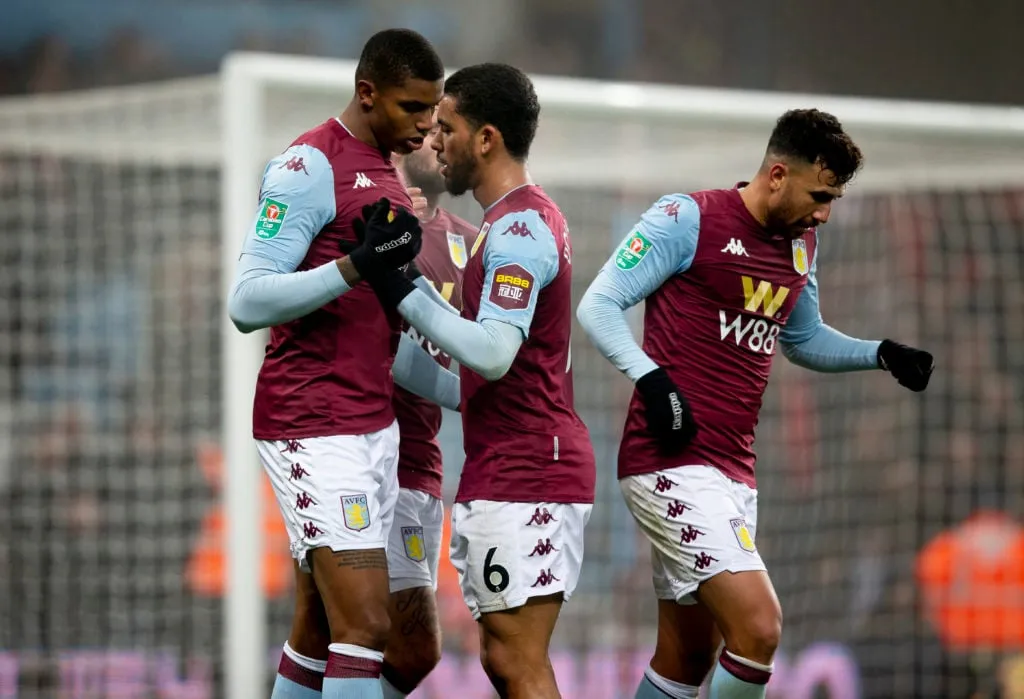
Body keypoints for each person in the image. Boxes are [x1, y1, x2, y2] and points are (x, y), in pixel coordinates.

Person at [576, 108, 934, 699]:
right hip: (669, 461)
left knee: (687, 659)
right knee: (760, 629)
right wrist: (652, 379)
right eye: (820, 195)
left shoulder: (802, 244)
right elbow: (599, 304)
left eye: (834, 200)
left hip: (734, 470)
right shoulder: (686, 218)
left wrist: (881, 353)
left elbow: (802, 338)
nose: (824, 213)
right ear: (777, 175)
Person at [226, 28, 458, 699]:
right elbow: (246, 301)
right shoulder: (308, 165)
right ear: (367, 92)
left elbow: (381, 336)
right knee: (366, 623)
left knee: (321, 625)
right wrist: (355, 265)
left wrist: (474, 390)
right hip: (312, 420)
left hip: (372, 425)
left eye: (433, 109)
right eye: (412, 107)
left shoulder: (387, 174)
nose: (427, 123)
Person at [362, 63, 596, 699]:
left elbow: (491, 355)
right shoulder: (509, 221)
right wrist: (386, 345)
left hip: (530, 468)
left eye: (448, 127)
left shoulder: (519, 228)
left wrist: (398, 287)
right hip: (508, 462)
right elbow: (473, 382)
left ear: (486, 138)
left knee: (518, 662)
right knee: (501, 657)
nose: (434, 140)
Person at [376, 121, 478, 699]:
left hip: (418, 460)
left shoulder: (473, 242)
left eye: (448, 129)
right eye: (429, 126)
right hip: (355, 447)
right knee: (348, 634)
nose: (439, 141)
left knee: (412, 648)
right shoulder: (368, 217)